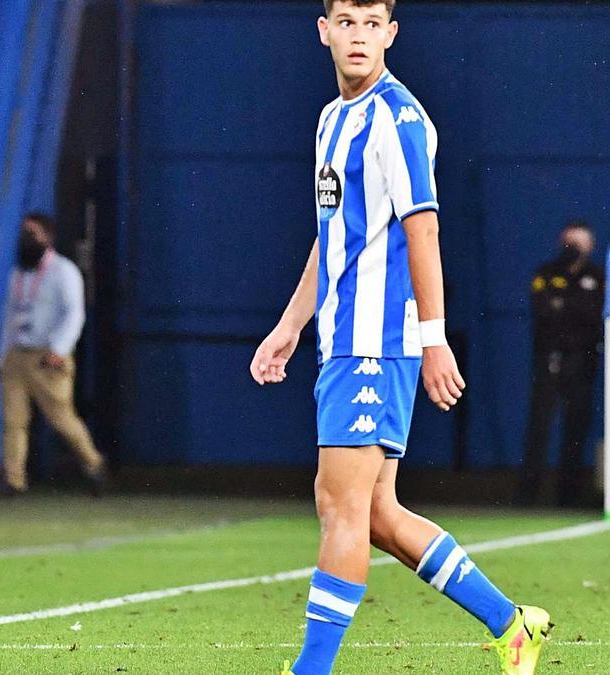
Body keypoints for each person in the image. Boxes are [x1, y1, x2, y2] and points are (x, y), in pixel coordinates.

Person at [250, 3, 551, 674]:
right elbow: (334, 239)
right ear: (324, 30)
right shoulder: (333, 119)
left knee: (340, 505)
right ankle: (514, 624)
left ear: (391, 33)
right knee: (377, 513)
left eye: (371, 23)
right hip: (342, 339)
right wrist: (291, 325)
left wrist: (433, 337)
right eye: (346, 22)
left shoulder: (397, 117)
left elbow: (424, 230)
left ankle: (311, 669)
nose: (358, 36)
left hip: (376, 341)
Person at [0, 213, 106, 496]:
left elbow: (74, 313)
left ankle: (93, 464)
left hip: (47, 357)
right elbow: (9, 317)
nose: (26, 239)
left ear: (47, 237)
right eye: (23, 233)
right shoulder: (17, 273)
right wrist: (2, 356)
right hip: (18, 354)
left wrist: (60, 349)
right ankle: (14, 480)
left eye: (32, 233)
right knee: (13, 421)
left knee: (61, 419)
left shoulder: (64, 271)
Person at [517, 221, 604, 507]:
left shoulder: (598, 276)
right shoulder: (546, 273)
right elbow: (543, 310)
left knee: (576, 427)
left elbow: (592, 317)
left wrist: (566, 305)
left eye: (579, 244)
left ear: (590, 246)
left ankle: (569, 497)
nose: (573, 249)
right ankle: (528, 495)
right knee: (539, 427)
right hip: (549, 359)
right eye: (569, 242)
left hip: (582, 361)